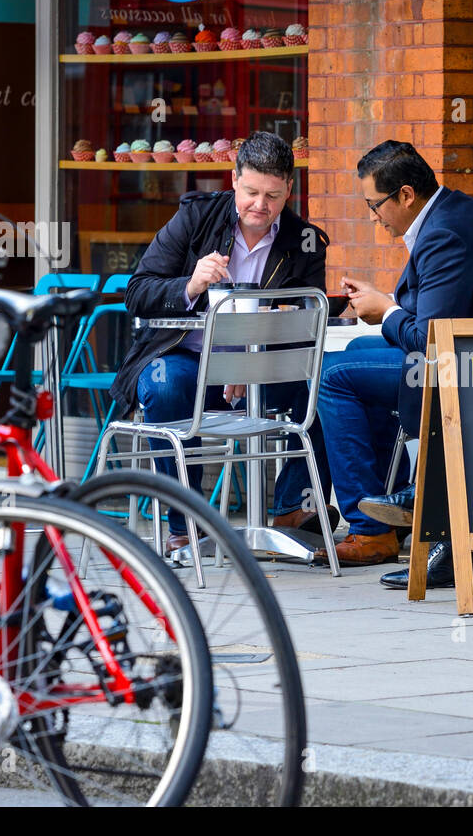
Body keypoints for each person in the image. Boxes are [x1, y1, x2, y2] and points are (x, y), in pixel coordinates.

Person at [316, 140, 473, 579]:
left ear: (405, 195)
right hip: (471, 354)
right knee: (357, 352)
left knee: (334, 376)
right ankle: (392, 507)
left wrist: (386, 310)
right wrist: (384, 310)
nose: (372, 216)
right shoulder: (449, 214)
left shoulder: (443, 233)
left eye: (374, 204)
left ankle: (371, 529)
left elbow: (429, 339)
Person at [111, 131, 334, 553]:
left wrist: (253, 364)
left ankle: (290, 508)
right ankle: (187, 524)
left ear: (289, 188)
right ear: (234, 180)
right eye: (251, 192)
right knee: (164, 385)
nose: (260, 206)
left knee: (330, 390)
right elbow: (137, 290)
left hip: (264, 369)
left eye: (272, 195)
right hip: (187, 360)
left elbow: (307, 320)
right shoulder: (195, 219)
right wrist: (191, 283)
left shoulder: (305, 241)